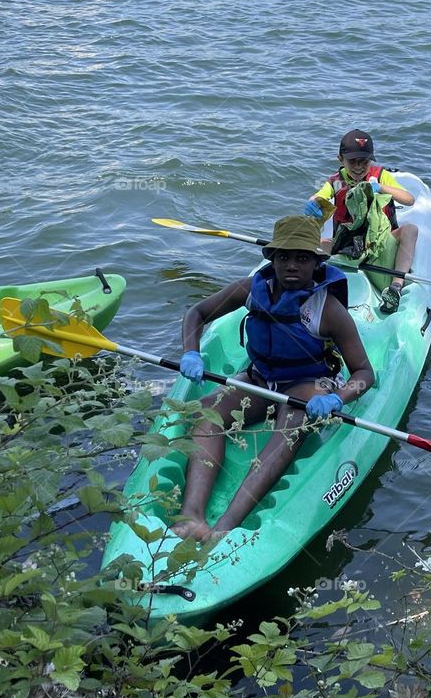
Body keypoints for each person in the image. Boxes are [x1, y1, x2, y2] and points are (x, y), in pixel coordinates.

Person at [173, 215, 374, 542]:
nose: (292, 265)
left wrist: (337, 398)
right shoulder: (252, 289)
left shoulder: (328, 309)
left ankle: (225, 526)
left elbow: (365, 373)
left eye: (302, 258)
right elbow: (196, 313)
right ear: (272, 259)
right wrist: (190, 352)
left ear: (315, 263)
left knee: (291, 426)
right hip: (260, 377)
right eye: (284, 257)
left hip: (308, 383)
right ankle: (193, 515)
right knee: (207, 415)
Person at [304, 129, 417, 315]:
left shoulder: (380, 176)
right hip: (347, 247)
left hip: (379, 244)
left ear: (371, 160)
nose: (358, 167)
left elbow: (409, 199)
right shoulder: (336, 182)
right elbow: (318, 196)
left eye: (364, 161)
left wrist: (380, 187)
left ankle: (396, 287)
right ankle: (308, 285)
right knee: (313, 244)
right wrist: (313, 202)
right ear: (340, 159)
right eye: (352, 161)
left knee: (410, 230)